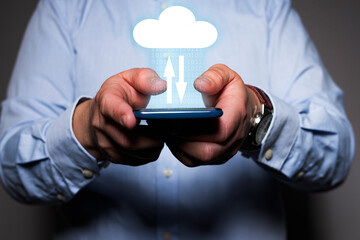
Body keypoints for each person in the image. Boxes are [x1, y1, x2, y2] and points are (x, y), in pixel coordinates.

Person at [0, 0, 355, 239]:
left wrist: (256, 118)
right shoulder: (66, 8)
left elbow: (335, 153)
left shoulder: (264, 8)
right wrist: (87, 132)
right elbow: (12, 166)